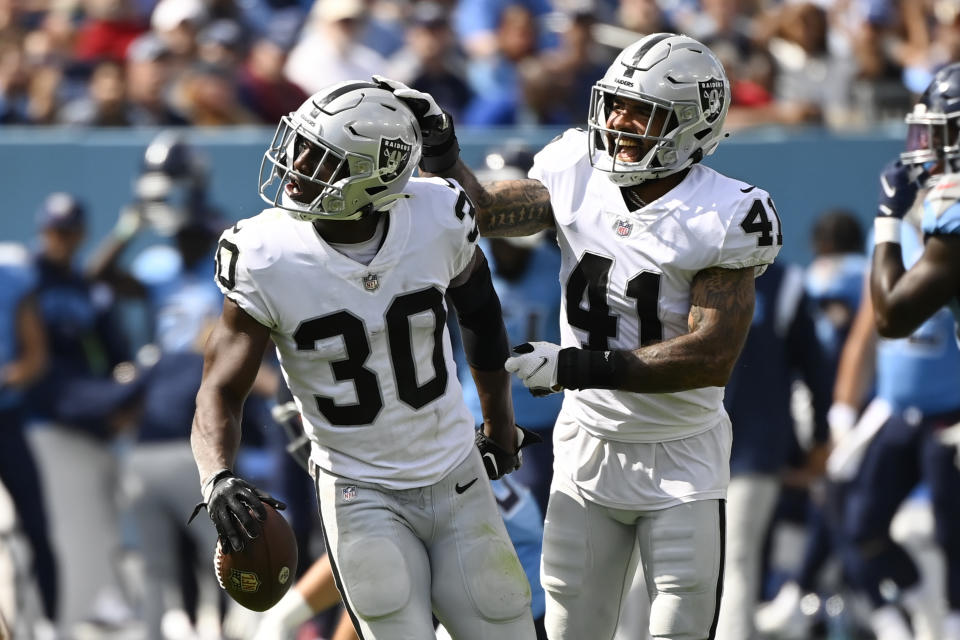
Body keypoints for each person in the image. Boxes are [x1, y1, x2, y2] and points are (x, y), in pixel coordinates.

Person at [374, 30, 783, 639]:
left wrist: (574, 368)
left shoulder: (725, 214)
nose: (618, 121)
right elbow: (482, 210)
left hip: (682, 453)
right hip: (587, 443)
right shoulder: (576, 168)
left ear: (693, 126)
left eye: (640, 110)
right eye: (615, 103)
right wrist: (441, 150)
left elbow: (710, 355)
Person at [189, 81, 538, 640]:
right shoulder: (264, 251)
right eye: (300, 145)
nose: (296, 164)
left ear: (374, 175)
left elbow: (482, 316)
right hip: (358, 489)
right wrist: (217, 476)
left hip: (455, 471)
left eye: (320, 157)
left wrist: (499, 424)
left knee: (504, 625)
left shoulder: (438, 214)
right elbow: (219, 390)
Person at [870, 61, 960, 339]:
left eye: (935, 133)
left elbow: (891, 317)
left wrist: (887, 217)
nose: (926, 146)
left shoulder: (952, 203)